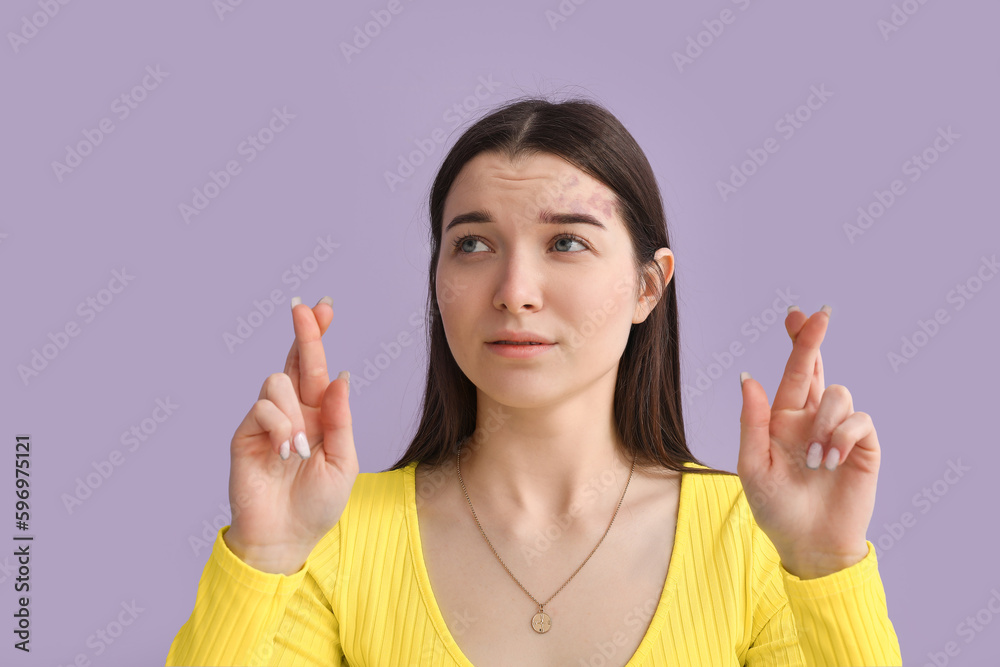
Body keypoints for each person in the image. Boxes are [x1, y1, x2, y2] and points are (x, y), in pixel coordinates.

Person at [165, 97, 902, 666]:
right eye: (474, 244)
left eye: (567, 242)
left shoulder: (755, 538)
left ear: (650, 285)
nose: (514, 289)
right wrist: (264, 556)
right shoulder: (332, 536)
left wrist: (824, 567)